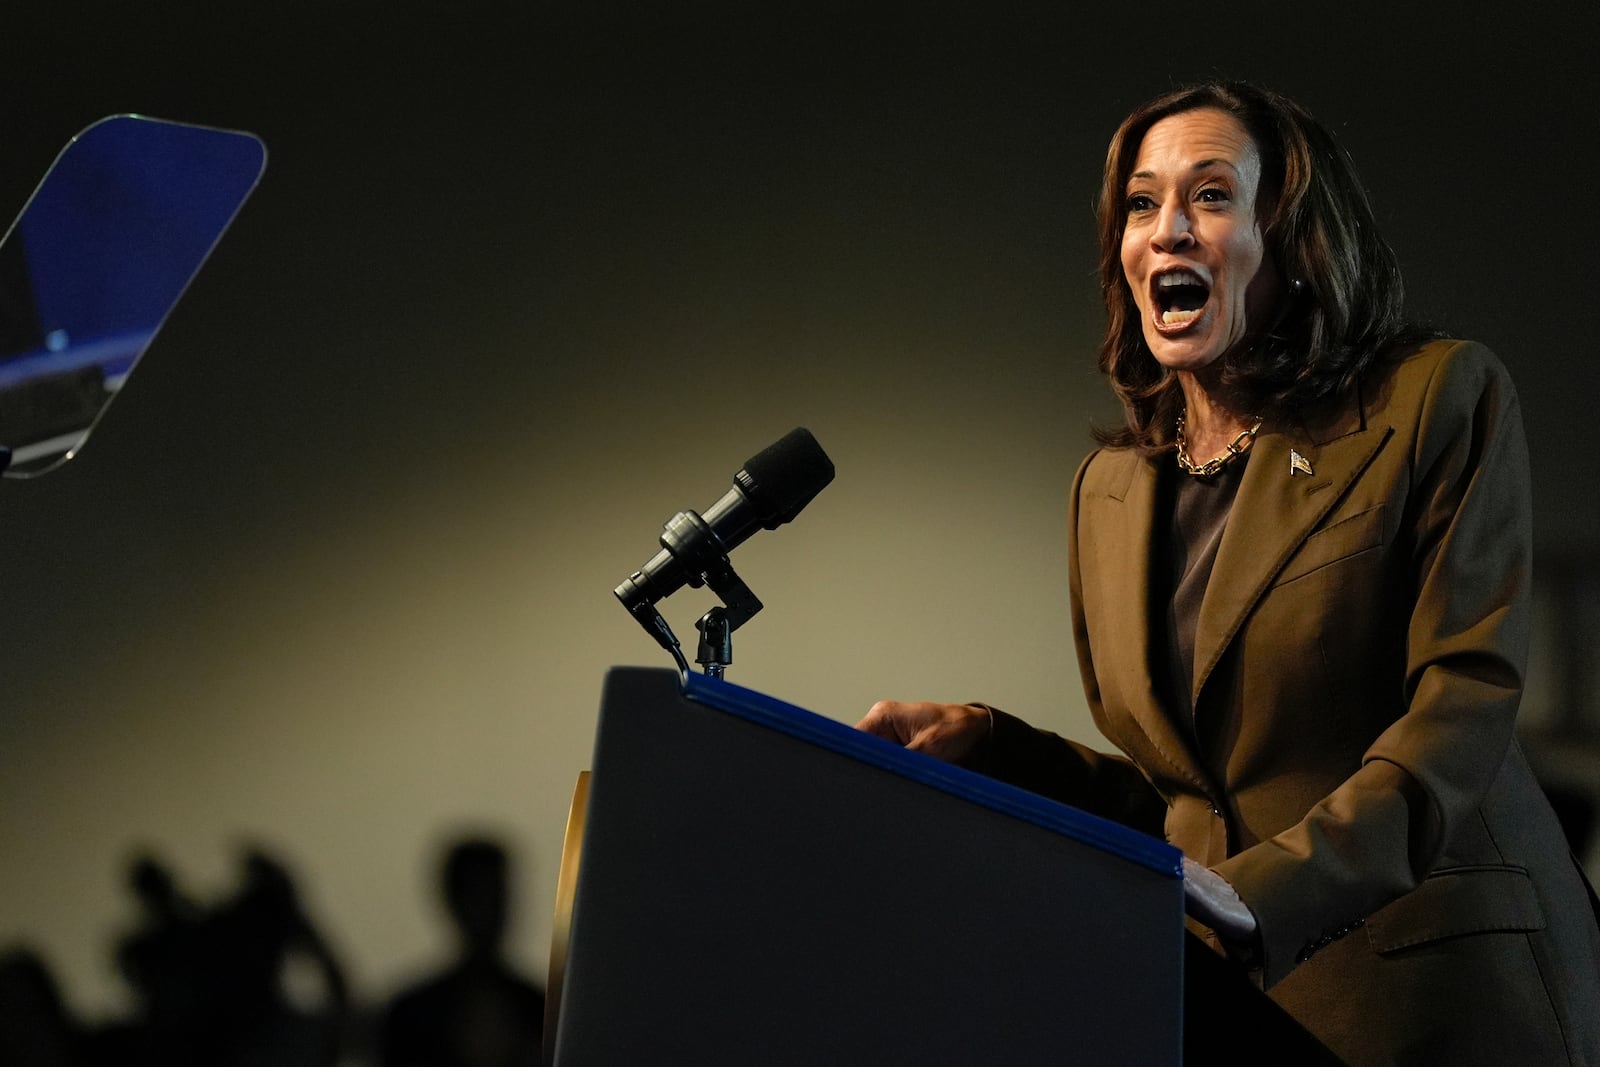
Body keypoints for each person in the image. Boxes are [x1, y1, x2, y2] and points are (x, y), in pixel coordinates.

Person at [857, 81, 1600, 1066]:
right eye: (1140, 202)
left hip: (1442, 990)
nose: (1166, 229)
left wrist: (1253, 898)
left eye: (1209, 195)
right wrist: (997, 749)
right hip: (1228, 1003)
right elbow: (1198, 795)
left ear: (1291, 239)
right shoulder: (1109, 489)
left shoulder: (1436, 399)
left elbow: (1457, 715)